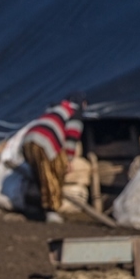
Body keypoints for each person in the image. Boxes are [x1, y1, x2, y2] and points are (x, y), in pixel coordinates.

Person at [21, 95, 86, 223]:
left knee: (38, 174)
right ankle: (52, 211)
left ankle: (34, 205)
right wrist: (68, 160)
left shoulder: (54, 109)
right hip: (46, 141)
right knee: (53, 174)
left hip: (28, 140)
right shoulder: (75, 114)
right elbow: (72, 137)